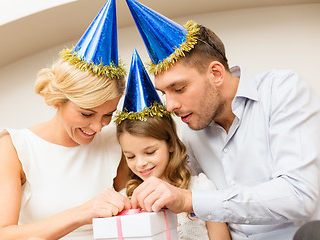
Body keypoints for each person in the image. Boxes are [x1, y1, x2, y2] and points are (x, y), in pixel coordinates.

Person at [125, 0, 320, 239]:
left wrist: (189, 200)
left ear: (216, 73)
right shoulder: (191, 131)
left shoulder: (283, 90)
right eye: (165, 93)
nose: (170, 106)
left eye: (179, 88)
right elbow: (182, 183)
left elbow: (300, 196)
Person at [0, 0, 130, 239]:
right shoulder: (15, 146)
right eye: (86, 114)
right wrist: (81, 213)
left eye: (108, 115)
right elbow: (0, 235)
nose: (97, 127)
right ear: (57, 100)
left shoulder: (117, 141)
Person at [115, 49, 230, 239]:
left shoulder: (200, 189)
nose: (141, 163)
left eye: (150, 152)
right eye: (131, 156)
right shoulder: (127, 200)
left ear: (170, 144)